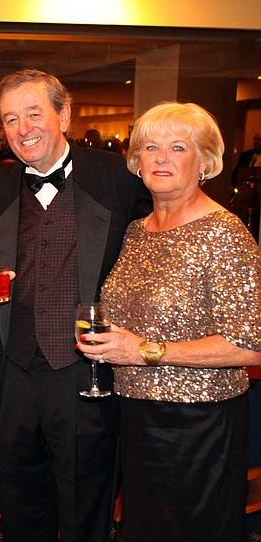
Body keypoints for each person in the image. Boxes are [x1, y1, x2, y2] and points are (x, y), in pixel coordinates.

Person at [0, 68, 151, 541]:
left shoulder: (120, 180)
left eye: (34, 114)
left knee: (85, 503)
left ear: (63, 115)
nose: (23, 128)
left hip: (86, 372)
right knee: (20, 501)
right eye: (11, 119)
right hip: (14, 372)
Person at [78, 101, 261, 541]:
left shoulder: (224, 232)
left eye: (177, 147)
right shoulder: (138, 230)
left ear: (205, 162)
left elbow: (249, 344)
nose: (160, 158)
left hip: (199, 423)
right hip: (136, 414)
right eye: (150, 147)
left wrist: (145, 352)